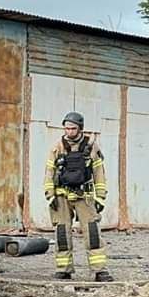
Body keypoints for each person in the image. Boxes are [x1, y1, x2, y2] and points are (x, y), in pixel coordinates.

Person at [43, 112, 113, 282]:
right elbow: (49, 172)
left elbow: (98, 173)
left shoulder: (91, 147)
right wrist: (49, 195)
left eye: (73, 128)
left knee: (92, 233)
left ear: (80, 128)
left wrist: (100, 197)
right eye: (67, 128)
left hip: (84, 196)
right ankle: (64, 269)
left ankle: (99, 270)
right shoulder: (57, 147)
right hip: (62, 196)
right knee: (61, 233)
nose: (69, 131)